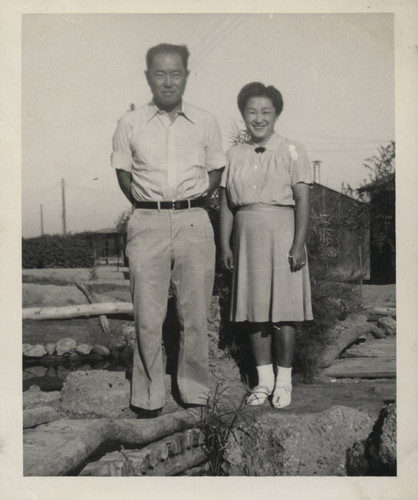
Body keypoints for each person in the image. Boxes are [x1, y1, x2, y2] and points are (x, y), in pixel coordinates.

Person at [111, 43, 225, 417]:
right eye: (160, 73)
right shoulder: (129, 124)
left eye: (176, 73)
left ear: (186, 77)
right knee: (148, 313)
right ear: (148, 77)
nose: (168, 81)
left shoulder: (206, 121)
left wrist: (188, 203)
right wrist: (152, 206)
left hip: (194, 220)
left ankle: (193, 391)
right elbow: (124, 176)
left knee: (194, 312)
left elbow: (214, 171)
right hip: (147, 222)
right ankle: (148, 397)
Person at [219, 82, 313, 409]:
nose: (259, 119)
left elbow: (302, 200)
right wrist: (225, 246)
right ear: (243, 115)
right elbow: (227, 205)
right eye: (251, 112)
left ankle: (284, 383)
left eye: (266, 112)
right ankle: (264, 381)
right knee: (255, 312)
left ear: (276, 115)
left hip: (284, 234)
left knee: (284, 312)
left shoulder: (293, 150)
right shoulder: (231, 156)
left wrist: (299, 244)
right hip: (247, 237)